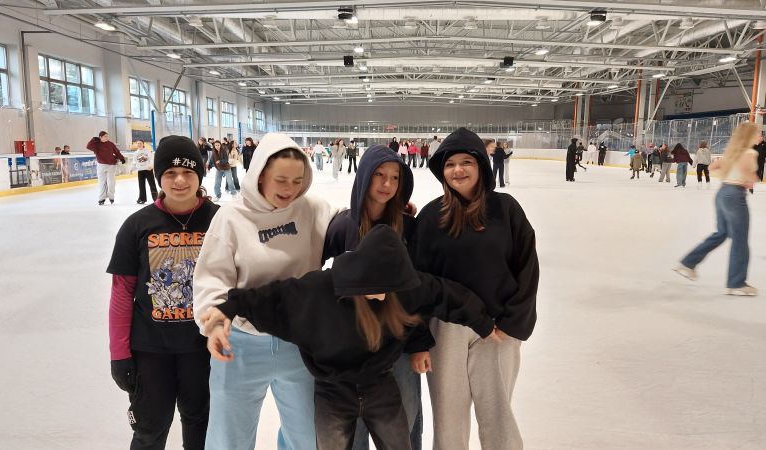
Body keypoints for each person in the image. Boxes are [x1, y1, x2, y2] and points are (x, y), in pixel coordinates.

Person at [200, 225, 498, 450]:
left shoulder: (407, 287)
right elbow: (272, 298)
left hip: (381, 384)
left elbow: (447, 296)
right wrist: (228, 308)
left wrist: (484, 324)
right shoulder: (318, 291)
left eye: (392, 288)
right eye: (378, 286)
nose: (384, 295)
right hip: (332, 391)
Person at [193, 133, 337, 450]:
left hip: (299, 343)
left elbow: (351, 226)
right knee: (228, 441)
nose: (290, 189)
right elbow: (212, 278)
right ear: (260, 175)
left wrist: (393, 214)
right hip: (240, 345)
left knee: (309, 438)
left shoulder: (312, 209)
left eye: (298, 181)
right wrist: (215, 324)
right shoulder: (231, 217)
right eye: (281, 180)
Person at [410, 127, 539, 450]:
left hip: (497, 329)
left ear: (481, 164)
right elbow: (418, 283)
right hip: (445, 331)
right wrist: (419, 341)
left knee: (498, 415)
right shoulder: (430, 217)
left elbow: (526, 267)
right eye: (450, 164)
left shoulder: (505, 209)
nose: (458, 170)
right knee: (449, 419)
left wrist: (513, 323)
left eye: (466, 162)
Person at [106, 135, 217, 450]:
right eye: (170, 173)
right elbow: (122, 294)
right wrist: (119, 354)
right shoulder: (137, 225)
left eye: (188, 172)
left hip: (203, 349)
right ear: (158, 177)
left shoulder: (220, 220)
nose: (179, 180)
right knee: (150, 431)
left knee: (201, 427)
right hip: (150, 351)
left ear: (200, 174)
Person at [322, 145, 423, 450]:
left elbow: (418, 291)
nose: (387, 184)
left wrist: (419, 343)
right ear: (365, 175)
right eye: (379, 174)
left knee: (404, 423)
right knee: (355, 430)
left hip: (399, 343)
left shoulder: (408, 227)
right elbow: (318, 279)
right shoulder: (343, 226)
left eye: (395, 177)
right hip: (354, 347)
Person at [674, 122, 761, 296]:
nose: (760, 136)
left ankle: (687, 263)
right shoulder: (750, 153)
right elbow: (747, 173)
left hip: (723, 193)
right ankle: (737, 283)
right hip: (735, 196)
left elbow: (712, 167)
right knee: (740, 240)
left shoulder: (732, 153)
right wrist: (752, 178)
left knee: (721, 233)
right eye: (758, 133)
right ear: (749, 136)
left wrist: (732, 174)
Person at [86, 131, 127, 205]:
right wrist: (93, 139)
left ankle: (111, 196)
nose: (107, 137)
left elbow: (117, 152)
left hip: (111, 165)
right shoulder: (96, 144)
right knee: (102, 183)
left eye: (107, 136)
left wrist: (122, 158)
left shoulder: (110, 144)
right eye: (105, 136)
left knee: (111, 182)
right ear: (100, 137)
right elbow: (88, 146)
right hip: (101, 166)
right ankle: (101, 198)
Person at [133, 140, 158, 204]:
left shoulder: (147, 151)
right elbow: (134, 162)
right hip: (140, 170)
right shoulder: (135, 153)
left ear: (143, 144)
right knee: (141, 185)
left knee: (152, 184)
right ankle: (142, 199)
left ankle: (156, 198)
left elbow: (151, 159)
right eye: (138, 143)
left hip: (148, 170)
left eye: (140, 143)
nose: (139, 144)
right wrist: (132, 169)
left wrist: (151, 165)